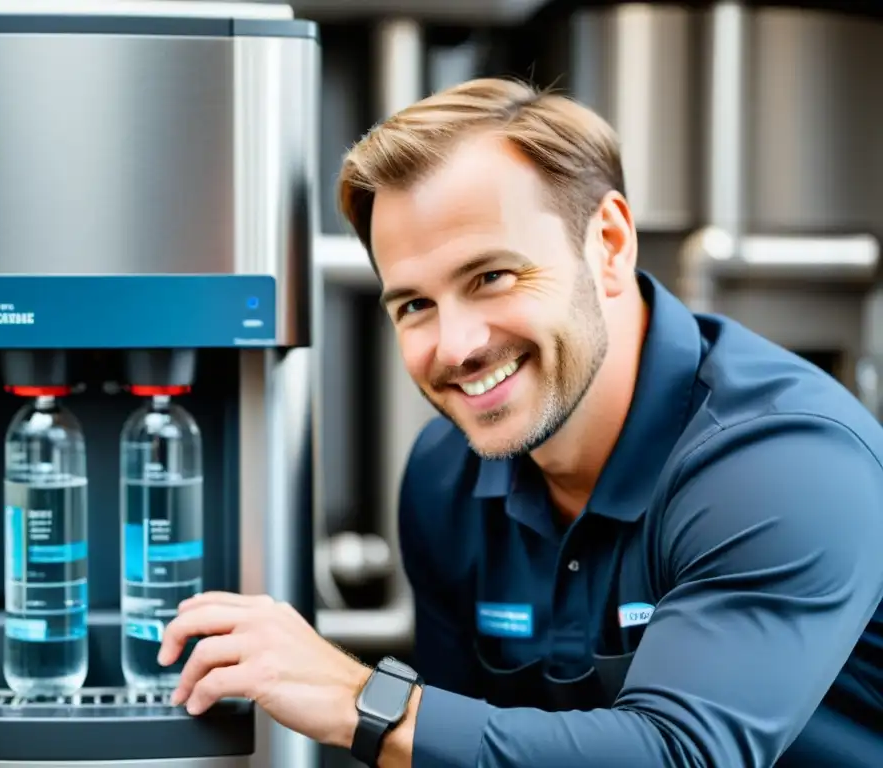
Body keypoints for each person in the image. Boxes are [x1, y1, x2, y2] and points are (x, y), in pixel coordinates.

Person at [157, 77, 883, 767]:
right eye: (414, 305)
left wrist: (356, 700)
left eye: (491, 277)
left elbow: (680, 754)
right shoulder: (447, 474)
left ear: (609, 244)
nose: (457, 346)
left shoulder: (784, 461)